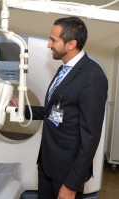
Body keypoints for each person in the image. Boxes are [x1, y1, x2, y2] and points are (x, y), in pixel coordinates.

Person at [22, 17, 108, 199]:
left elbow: (90, 137)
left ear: (71, 44)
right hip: (47, 163)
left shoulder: (92, 76)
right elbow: (52, 111)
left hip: (67, 172)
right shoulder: (64, 70)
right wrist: (23, 109)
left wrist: (71, 184)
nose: (48, 45)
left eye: (53, 40)